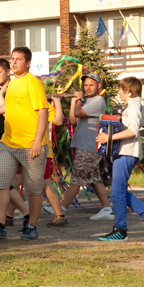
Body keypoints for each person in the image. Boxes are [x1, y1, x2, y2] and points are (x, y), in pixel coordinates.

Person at [0, 47, 49, 241]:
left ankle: (32, 226)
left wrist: (37, 142)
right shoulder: (11, 84)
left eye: (18, 59)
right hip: (8, 144)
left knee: (34, 189)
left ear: (27, 63)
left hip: (30, 145)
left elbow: (43, 112)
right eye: (12, 58)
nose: (13, 62)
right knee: (1, 183)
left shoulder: (33, 83)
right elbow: (10, 106)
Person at [96, 76, 144, 242]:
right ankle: (140, 221)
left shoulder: (133, 107)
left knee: (117, 190)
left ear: (128, 91)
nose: (118, 92)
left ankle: (129, 226)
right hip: (128, 152)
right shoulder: (139, 106)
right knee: (118, 190)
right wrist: (132, 135)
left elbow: (133, 131)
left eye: (120, 90)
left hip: (126, 153)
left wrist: (108, 138)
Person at [55, 72, 114, 224]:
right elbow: (73, 119)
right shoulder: (87, 101)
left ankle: (61, 209)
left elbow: (77, 113)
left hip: (89, 146)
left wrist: (79, 101)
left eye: (91, 85)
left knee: (77, 178)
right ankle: (107, 209)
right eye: (86, 85)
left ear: (99, 86)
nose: (87, 88)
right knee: (94, 179)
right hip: (84, 144)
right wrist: (75, 101)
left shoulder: (98, 101)